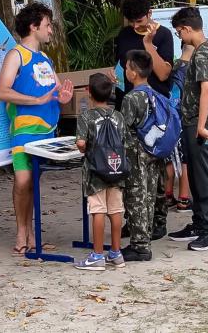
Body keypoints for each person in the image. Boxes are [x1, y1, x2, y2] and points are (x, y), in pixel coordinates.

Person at [0, 2, 73, 256]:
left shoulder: (46, 59)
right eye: (48, 25)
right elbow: (2, 91)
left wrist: (62, 97)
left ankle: (30, 232)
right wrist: (36, 101)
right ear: (34, 26)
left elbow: (57, 91)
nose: (51, 30)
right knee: (23, 180)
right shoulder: (16, 55)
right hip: (24, 129)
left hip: (47, 130)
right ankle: (21, 230)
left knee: (32, 183)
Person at [113, 0, 174, 240]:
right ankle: (135, 220)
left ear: (150, 14)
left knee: (156, 168)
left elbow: (163, 75)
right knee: (131, 171)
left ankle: (157, 220)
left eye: (140, 20)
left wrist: (149, 45)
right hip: (128, 104)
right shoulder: (124, 36)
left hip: (155, 110)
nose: (136, 26)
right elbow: (120, 69)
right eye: (132, 22)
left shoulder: (164, 35)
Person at [168, 7, 208, 251]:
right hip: (195, 121)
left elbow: (207, 90)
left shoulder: (201, 55)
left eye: (180, 32)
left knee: (204, 175)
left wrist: (200, 126)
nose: (180, 36)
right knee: (197, 176)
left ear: (188, 29)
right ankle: (199, 223)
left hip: (202, 123)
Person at [74, 73, 128, 271]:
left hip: (96, 171)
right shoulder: (119, 116)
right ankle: (116, 252)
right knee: (115, 210)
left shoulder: (86, 116)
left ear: (89, 92)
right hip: (116, 169)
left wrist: (84, 148)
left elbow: (81, 143)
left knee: (98, 210)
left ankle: (97, 255)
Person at [119, 50, 163, 262]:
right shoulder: (154, 94)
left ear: (134, 72)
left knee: (136, 196)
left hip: (136, 152)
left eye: (127, 67)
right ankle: (145, 236)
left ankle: (139, 246)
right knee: (149, 195)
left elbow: (124, 128)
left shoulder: (132, 98)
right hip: (153, 151)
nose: (125, 71)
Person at [166, 43, 194, 212]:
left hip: (169, 118)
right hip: (185, 120)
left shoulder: (171, 67)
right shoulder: (192, 70)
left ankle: (168, 196)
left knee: (169, 157)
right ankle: (184, 198)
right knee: (185, 160)